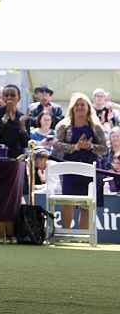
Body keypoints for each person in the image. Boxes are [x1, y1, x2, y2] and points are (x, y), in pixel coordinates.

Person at [51, 92, 108, 230]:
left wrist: (90, 146)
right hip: (69, 168)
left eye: (82, 104)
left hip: (90, 168)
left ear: (88, 107)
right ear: (72, 107)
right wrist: (74, 147)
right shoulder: (63, 126)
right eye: (76, 104)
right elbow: (56, 144)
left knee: (86, 205)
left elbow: (104, 149)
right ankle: (65, 233)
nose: (79, 107)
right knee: (67, 202)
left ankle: (84, 236)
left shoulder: (96, 127)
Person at [0, 84, 29, 159]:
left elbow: (25, 144)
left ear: (18, 98)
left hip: (17, 157)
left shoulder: (22, 117)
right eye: (6, 95)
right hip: (0, 156)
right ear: (3, 97)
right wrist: (5, 118)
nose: (9, 98)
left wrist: (22, 125)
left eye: (13, 95)